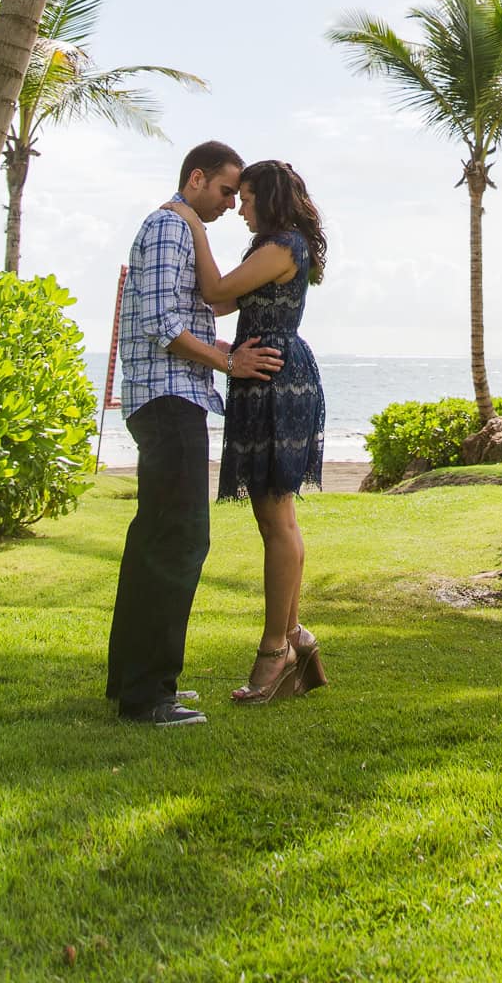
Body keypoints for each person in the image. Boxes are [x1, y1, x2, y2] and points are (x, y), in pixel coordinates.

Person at [106, 140, 283, 728]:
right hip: (167, 400)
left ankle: (136, 684)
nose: (233, 203)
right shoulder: (168, 228)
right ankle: (150, 696)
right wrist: (227, 363)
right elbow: (163, 325)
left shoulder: (181, 229)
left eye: (240, 195)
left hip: (172, 398)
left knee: (156, 539)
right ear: (197, 177)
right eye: (227, 190)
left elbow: (199, 304)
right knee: (178, 542)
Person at [168, 158, 327, 705]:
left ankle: (276, 647)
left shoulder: (280, 247)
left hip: (275, 378)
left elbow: (213, 290)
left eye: (248, 196)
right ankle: (295, 638)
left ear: (269, 197)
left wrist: (190, 220)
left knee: (275, 515)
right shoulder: (271, 247)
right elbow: (221, 298)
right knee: (276, 514)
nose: (239, 207)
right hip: (264, 375)